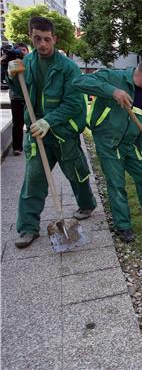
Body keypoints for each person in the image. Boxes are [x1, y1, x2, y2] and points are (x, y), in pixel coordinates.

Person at [7, 16, 96, 249]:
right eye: (37, 39)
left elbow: (74, 104)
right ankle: (28, 228)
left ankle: (86, 204)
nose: (43, 44)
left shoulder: (68, 68)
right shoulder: (28, 63)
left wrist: (48, 120)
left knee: (76, 173)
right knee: (33, 179)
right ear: (31, 37)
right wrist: (12, 77)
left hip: (64, 133)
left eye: (47, 39)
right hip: (38, 136)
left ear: (54, 39)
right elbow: (21, 92)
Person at [72, 58, 142, 242]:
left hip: (132, 144)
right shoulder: (114, 77)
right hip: (109, 142)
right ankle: (123, 226)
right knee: (117, 184)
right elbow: (79, 82)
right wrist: (113, 91)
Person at [6, 43, 29, 155]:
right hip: (16, 98)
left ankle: (33, 145)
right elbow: (8, 80)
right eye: (19, 50)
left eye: (23, 50)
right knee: (18, 123)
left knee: (32, 122)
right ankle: (17, 147)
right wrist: (9, 73)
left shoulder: (31, 63)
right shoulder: (11, 63)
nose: (21, 53)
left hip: (30, 97)